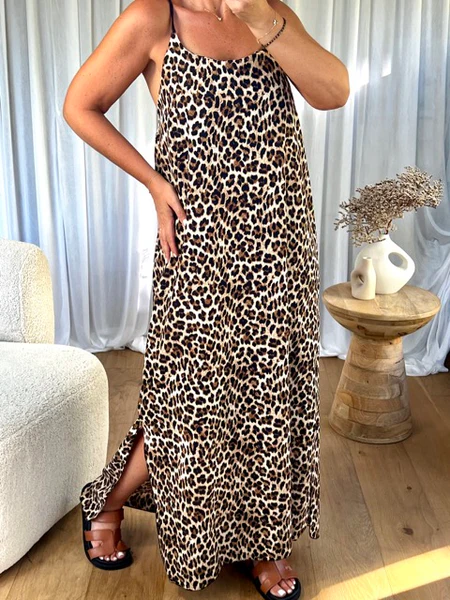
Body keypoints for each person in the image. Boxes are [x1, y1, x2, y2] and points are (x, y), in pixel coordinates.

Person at [63, 0, 349, 598]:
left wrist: (260, 18)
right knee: (188, 401)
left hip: (280, 243)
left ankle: (265, 543)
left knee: (267, 395)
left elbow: (333, 92)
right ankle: (106, 499)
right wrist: (153, 181)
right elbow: (79, 105)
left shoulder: (269, 12)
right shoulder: (154, 18)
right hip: (197, 245)